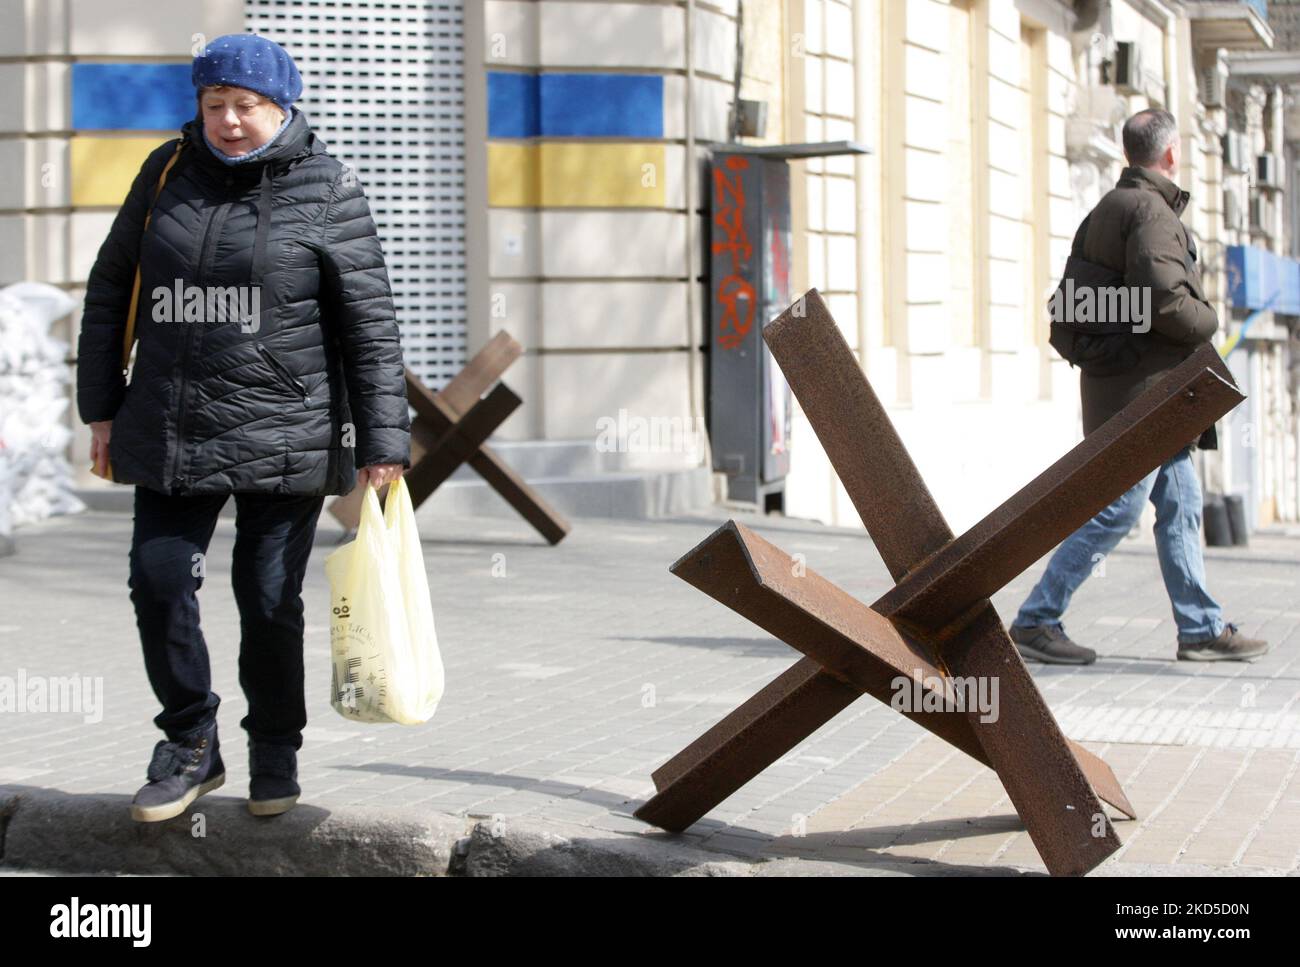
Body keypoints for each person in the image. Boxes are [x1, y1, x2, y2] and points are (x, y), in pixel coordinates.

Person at [76, 34, 411, 822]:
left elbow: (369, 324)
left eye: (247, 106)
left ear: (282, 106)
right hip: (171, 423)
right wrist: (100, 407)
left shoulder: (328, 186)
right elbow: (111, 287)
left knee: (267, 600)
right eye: (214, 104)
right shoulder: (165, 172)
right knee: (159, 581)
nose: (228, 121)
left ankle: (274, 749)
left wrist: (384, 443)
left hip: (286, 426)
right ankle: (190, 739)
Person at [1009, 109, 1268, 666]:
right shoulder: (1150, 211)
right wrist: (1210, 320)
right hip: (1145, 398)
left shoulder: (1110, 207)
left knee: (1182, 505)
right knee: (1118, 510)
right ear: (1171, 153)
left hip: (1134, 390)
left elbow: (1110, 302)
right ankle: (1036, 618)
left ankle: (1200, 628)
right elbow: (1165, 300)